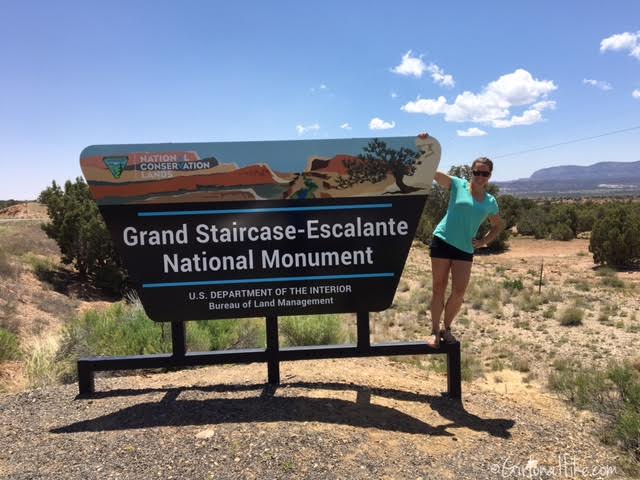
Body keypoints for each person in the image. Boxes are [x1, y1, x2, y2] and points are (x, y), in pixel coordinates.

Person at [427, 157, 503, 347]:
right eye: (476, 172)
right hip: (442, 241)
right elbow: (435, 174)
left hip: (465, 248)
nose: (480, 176)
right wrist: (426, 148)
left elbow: (497, 226)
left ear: (489, 176)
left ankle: (447, 328)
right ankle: (435, 332)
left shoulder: (490, 201)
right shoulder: (458, 185)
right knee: (438, 288)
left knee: (459, 292)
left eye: (484, 173)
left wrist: (483, 242)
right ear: (471, 172)